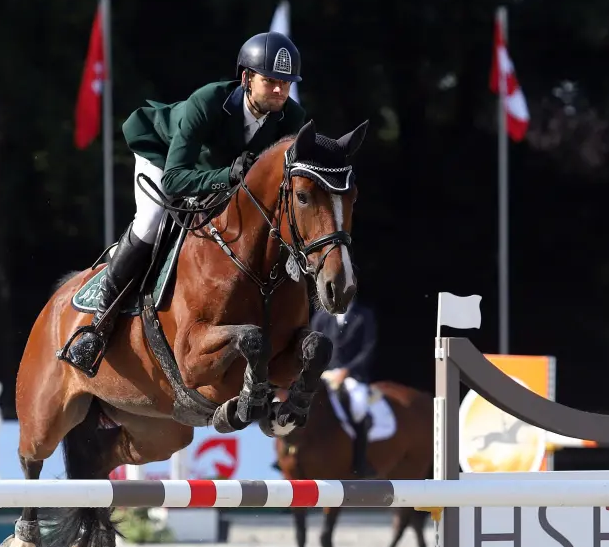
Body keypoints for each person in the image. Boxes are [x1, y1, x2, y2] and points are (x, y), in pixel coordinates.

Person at [60, 30, 309, 376]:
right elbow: (176, 179)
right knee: (150, 221)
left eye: (286, 82)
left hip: (223, 177)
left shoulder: (292, 119)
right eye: (271, 81)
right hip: (165, 158)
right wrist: (227, 177)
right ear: (247, 78)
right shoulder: (208, 102)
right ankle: (99, 324)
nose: (280, 90)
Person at [310, 299, 379, 478]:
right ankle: (289, 454)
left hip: (352, 377)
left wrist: (347, 371)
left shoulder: (364, 316)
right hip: (324, 375)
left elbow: (368, 349)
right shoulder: (321, 317)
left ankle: (360, 462)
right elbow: (313, 348)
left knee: (358, 407)